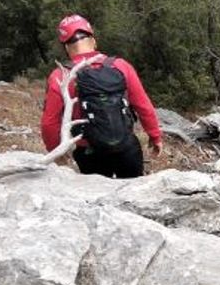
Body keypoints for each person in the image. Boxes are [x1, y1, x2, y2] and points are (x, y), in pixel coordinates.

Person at [40, 14, 162, 178]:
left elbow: (49, 122)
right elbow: (144, 106)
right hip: (126, 147)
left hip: (89, 152)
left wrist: (55, 151)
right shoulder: (120, 66)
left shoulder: (60, 76)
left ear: (66, 47)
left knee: (98, 201)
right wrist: (155, 136)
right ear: (93, 40)